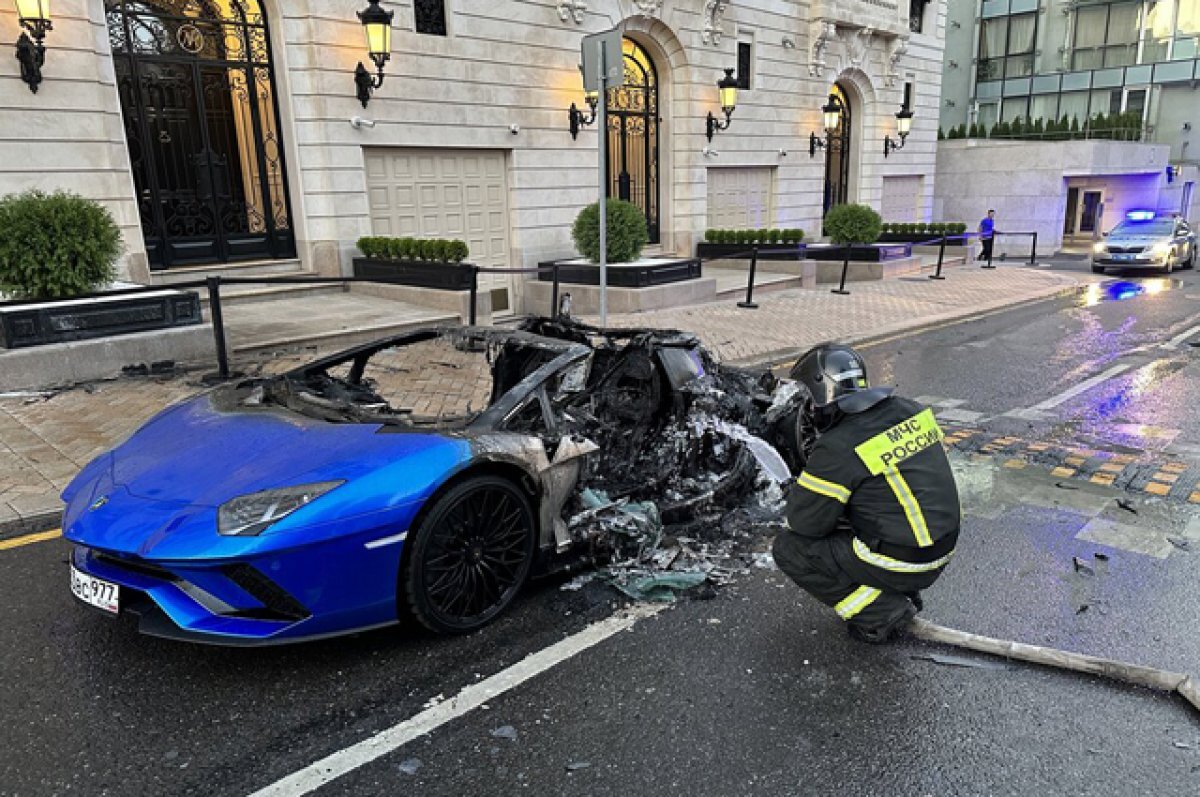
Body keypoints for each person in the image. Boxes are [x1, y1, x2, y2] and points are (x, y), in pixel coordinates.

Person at [772, 344, 961, 643]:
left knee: (790, 549)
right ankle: (897, 588)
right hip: (942, 546)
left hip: (905, 561)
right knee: (865, 508)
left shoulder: (839, 446)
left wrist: (801, 490)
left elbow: (805, 524)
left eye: (808, 398)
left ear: (822, 393)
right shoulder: (909, 409)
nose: (806, 409)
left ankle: (880, 612)